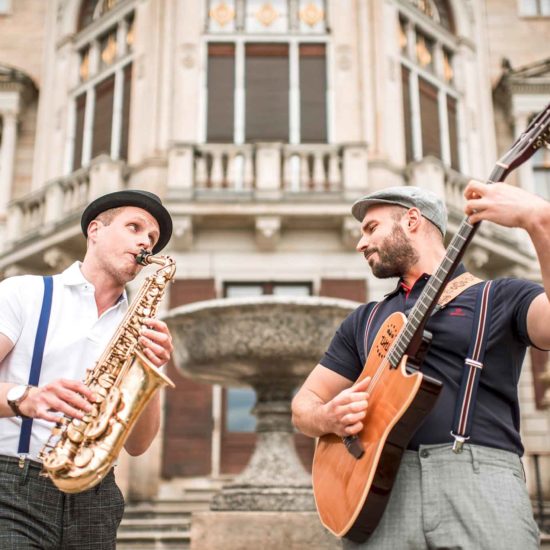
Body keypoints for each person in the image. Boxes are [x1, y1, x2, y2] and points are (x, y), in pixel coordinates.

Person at [292, 181, 549, 549]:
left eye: (371, 228)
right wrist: (327, 417)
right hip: (379, 493)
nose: (360, 243)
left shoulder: (502, 296)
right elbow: (304, 406)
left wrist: (541, 222)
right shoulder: (364, 319)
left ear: (411, 220)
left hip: (480, 483)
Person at [0, 189, 175, 549]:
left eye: (153, 238)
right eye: (134, 226)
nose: (146, 241)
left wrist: (149, 371)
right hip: (13, 486)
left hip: (96, 498)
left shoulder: (138, 326)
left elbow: (139, 446)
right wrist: (25, 397)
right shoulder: (24, 293)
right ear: (95, 230)